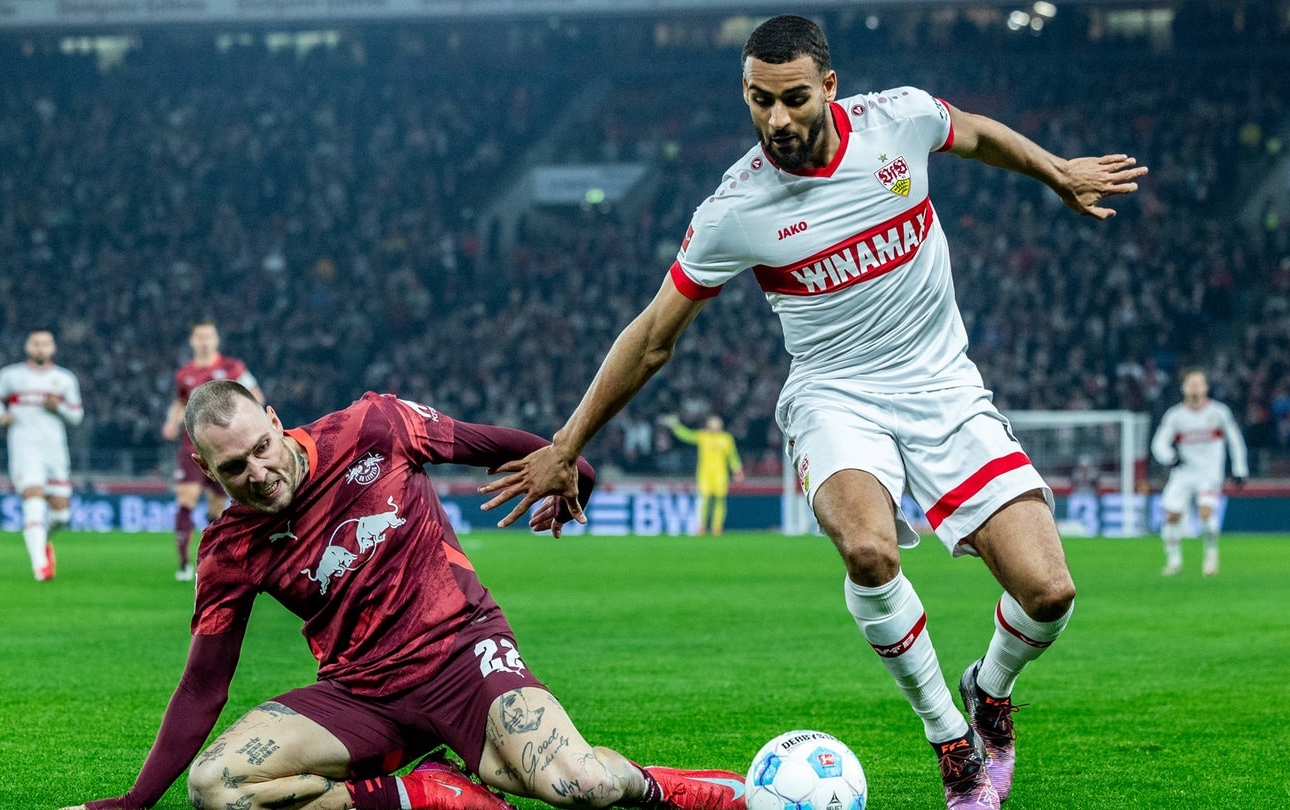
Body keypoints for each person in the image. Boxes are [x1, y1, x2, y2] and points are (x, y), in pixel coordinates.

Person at [479, 16, 1146, 810]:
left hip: (943, 386)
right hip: (836, 393)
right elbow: (654, 336)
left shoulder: (895, 121)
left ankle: (989, 690)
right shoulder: (737, 207)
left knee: (1050, 592)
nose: (777, 120)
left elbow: (969, 130)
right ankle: (952, 745)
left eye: (794, 99)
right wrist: (566, 442)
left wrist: (1056, 172)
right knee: (867, 549)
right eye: (759, 101)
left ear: (830, 87)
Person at [61, 380, 746, 810]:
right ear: (206, 471)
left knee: (581, 786)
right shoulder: (230, 550)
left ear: (273, 419)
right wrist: (133, 803)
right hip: (360, 696)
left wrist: (574, 474)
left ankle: (681, 790)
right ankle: (428, 794)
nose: (260, 471)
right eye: (234, 468)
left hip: (463, 656)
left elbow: (496, 444)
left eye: (262, 447)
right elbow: (203, 686)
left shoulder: (375, 427)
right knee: (218, 788)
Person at [160, 319, 264, 581]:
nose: (204, 341)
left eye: (209, 336)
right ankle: (184, 564)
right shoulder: (185, 374)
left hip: (225, 448)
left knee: (218, 510)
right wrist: (171, 421)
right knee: (186, 499)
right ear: (193, 341)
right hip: (191, 446)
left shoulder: (233, 367)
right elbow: (180, 403)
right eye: (200, 337)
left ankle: (214, 561)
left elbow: (256, 396)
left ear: (216, 339)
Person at [0, 328, 84, 581]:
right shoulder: (11, 375)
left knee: (61, 516)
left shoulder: (64, 379)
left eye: (46, 343)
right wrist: (1, 415)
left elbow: (76, 415)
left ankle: (43, 543)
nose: (41, 348)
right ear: (28, 347)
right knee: (33, 499)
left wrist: (58, 407)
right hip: (24, 447)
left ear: (53, 348)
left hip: (55, 450)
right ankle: (40, 566)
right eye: (36, 343)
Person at [1150, 368, 1248, 576]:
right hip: (1184, 472)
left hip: (1209, 473)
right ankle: (1174, 561)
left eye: (1198, 383)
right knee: (1172, 516)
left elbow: (1235, 440)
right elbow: (1159, 443)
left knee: (1205, 513)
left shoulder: (1219, 412)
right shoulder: (1175, 415)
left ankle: (1211, 557)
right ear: (1184, 388)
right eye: (1190, 384)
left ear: (1206, 387)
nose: (1195, 387)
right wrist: (1170, 457)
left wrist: (1240, 468)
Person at [661, 414, 744, 535]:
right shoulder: (703, 436)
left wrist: (737, 470)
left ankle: (717, 528)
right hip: (704, 474)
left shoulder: (726, 438)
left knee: (719, 500)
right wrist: (675, 426)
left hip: (720, 474)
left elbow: (732, 456)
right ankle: (702, 526)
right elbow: (687, 435)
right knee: (704, 500)